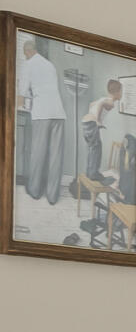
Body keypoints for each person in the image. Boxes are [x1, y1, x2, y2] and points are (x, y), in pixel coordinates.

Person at [14, 32, 72, 207]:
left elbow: (22, 94)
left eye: (25, 53)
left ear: (27, 51)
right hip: (59, 114)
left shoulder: (28, 64)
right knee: (56, 155)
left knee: (38, 152)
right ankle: (53, 196)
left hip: (42, 114)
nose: (25, 55)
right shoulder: (50, 64)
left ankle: (34, 191)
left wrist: (17, 106)